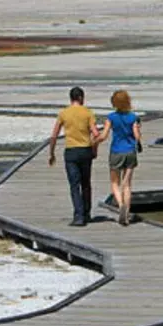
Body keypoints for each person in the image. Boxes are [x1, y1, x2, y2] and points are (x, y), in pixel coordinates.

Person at [48, 86, 100, 227]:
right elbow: (96, 134)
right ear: (81, 98)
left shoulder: (64, 113)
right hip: (85, 150)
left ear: (71, 98)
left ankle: (78, 216)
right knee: (86, 184)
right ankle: (87, 213)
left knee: (74, 185)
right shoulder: (88, 112)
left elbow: (54, 136)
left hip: (71, 151)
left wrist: (52, 153)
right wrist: (94, 149)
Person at [95, 90, 141, 226]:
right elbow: (137, 136)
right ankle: (126, 214)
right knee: (127, 185)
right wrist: (138, 132)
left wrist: (94, 142)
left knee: (115, 182)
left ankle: (120, 205)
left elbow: (103, 136)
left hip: (116, 151)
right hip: (130, 152)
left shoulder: (111, 117)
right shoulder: (133, 117)